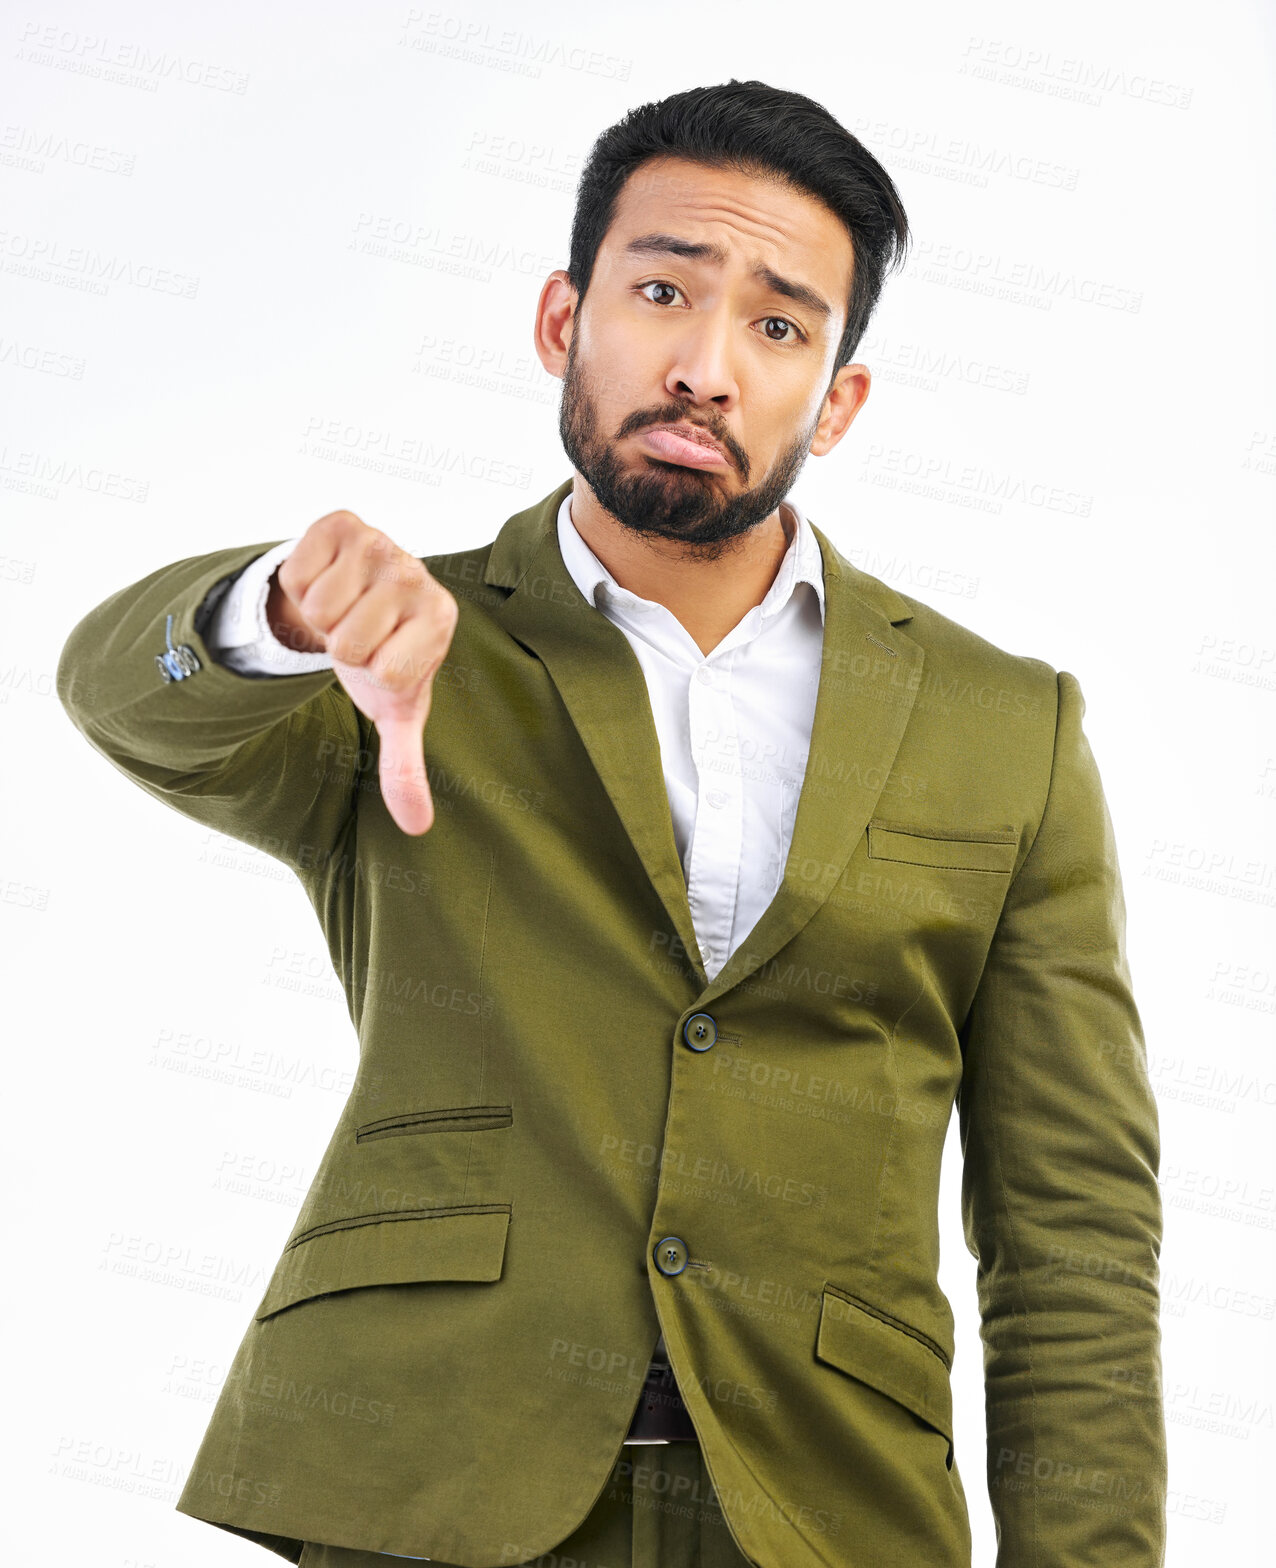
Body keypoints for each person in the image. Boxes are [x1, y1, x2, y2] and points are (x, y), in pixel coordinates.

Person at [56, 79, 1167, 1568]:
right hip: (428, 1488)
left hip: (830, 1507)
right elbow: (124, 693)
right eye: (661, 291)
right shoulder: (404, 648)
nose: (706, 366)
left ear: (834, 400)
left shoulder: (1006, 727)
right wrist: (276, 609)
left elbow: (1074, 1228)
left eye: (779, 326)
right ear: (561, 321)